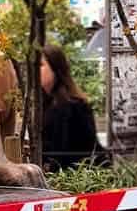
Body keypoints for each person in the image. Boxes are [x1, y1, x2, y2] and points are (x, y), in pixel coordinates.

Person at [40, 43, 108, 172]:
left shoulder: (74, 105)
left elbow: (70, 152)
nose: (35, 71)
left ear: (56, 69)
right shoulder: (43, 103)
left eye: (40, 65)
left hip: (80, 175)